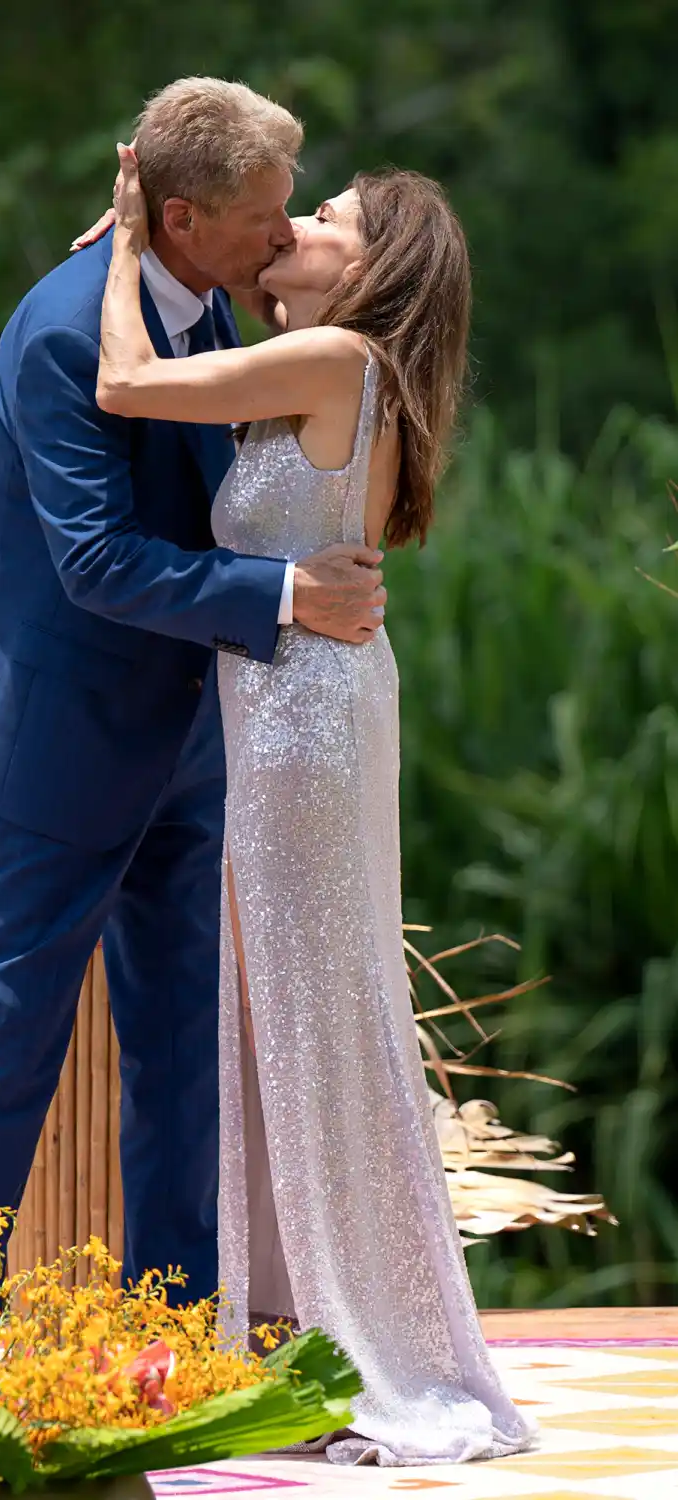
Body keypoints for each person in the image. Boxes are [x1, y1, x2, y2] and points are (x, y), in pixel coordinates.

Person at [0, 77, 387, 1355]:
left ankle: (177, 1334)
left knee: (184, 1048)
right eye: (264, 217)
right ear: (180, 216)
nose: (283, 234)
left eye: (291, 209)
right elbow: (97, 563)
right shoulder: (64, 336)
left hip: (193, 739)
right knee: (13, 1040)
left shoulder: (215, 299)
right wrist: (286, 595)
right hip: (66, 744)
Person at [94, 143, 537, 1467]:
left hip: (299, 721)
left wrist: (127, 237)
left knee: (291, 1005)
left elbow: (125, 381)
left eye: (326, 216)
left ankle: (327, 1322)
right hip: (313, 704)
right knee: (294, 1004)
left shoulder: (336, 364)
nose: (297, 222)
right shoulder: (338, 372)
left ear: (377, 263)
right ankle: (313, 1312)